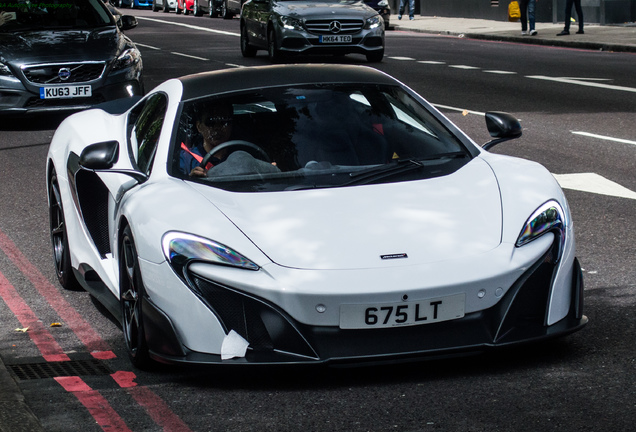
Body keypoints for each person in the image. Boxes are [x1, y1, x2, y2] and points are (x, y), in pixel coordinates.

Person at [180, 102, 233, 177]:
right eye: (210, 122)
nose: (217, 127)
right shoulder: (186, 159)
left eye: (224, 121)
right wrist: (191, 179)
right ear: (199, 127)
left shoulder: (243, 157)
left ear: (231, 124)